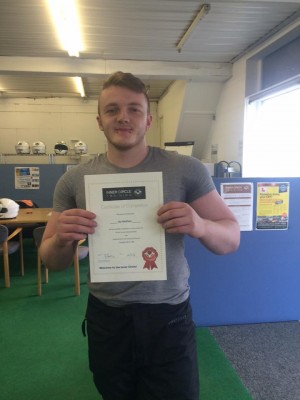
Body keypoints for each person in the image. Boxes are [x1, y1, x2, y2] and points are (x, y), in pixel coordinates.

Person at [40, 71, 240, 400]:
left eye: (134, 109)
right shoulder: (75, 180)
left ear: (148, 120)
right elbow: (52, 260)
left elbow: (231, 238)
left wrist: (200, 225)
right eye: (112, 109)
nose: (123, 117)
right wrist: (61, 239)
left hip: (168, 316)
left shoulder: (185, 169)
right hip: (107, 317)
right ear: (99, 121)